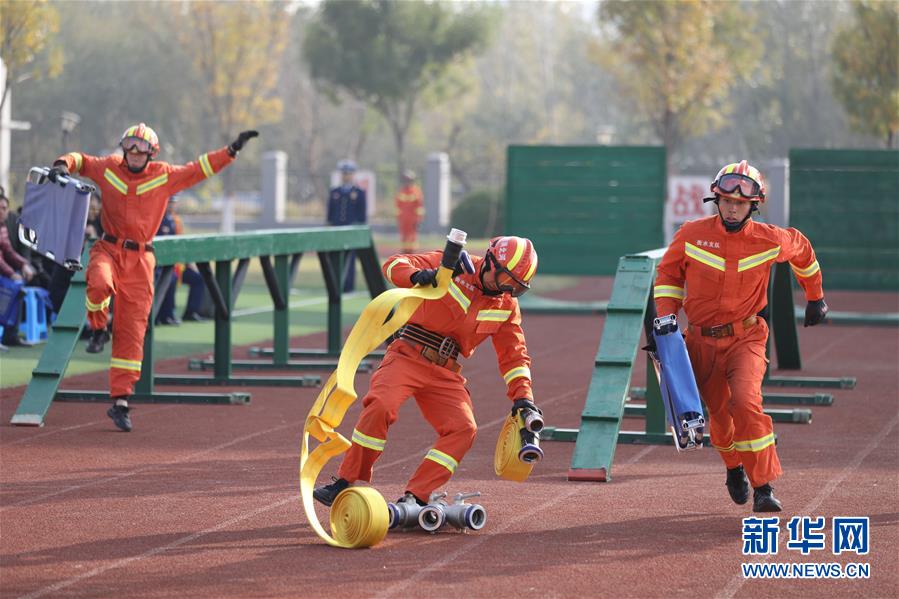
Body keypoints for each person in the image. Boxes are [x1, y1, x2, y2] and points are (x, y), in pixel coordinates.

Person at [47, 123, 258, 432]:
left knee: (132, 331)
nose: (134, 152)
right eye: (130, 145)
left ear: (151, 152)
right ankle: (97, 329)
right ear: (123, 147)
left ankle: (120, 401)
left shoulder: (164, 175)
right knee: (99, 283)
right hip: (107, 247)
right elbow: (81, 160)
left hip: (141, 260)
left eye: (141, 147)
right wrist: (61, 164)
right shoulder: (109, 168)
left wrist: (231, 151)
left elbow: (199, 169)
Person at [313, 236, 543, 510]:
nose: (507, 290)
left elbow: (514, 354)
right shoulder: (453, 264)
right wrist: (418, 276)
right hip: (407, 355)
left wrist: (523, 398)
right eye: (506, 280)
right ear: (490, 261)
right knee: (381, 406)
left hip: (446, 371)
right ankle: (345, 481)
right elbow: (393, 265)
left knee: (463, 429)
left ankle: (416, 496)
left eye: (516, 288)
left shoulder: (505, 306)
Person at [653, 160, 828, 513]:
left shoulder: (770, 239)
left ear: (754, 205)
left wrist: (815, 297)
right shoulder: (690, 234)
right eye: (727, 201)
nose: (733, 207)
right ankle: (734, 468)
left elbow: (803, 251)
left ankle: (763, 486)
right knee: (720, 417)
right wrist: (666, 322)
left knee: (747, 404)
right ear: (716, 200)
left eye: (741, 203)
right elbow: (669, 276)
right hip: (699, 342)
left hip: (746, 338)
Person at [0, 191, 36, 349]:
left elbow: (8, 251)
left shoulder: (3, 228)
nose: (2, 211)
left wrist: (24, 265)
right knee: (9, 287)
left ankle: (10, 335)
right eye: (0, 207)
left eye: (4, 208)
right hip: (3, 272)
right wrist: (12, 273)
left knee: (17, 289)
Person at [326, 159, 367, 292]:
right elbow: (330, 213)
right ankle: (335, 286)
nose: (346, 176)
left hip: (351, 231)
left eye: (349, 173)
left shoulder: (359, 192)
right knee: (334, 259)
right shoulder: (334, 192)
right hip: (336, 230)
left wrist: (358, 229)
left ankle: (348, 287)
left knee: (350, 260)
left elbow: (362, 215)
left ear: (353, 175)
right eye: (344, 173)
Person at [395, 170, 424, 254]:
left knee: (412, 238)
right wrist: (398, 219)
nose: (407, 182)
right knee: (404, 237)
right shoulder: (401, 192)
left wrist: (418, 220)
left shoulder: (416, 191)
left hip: (413, 220)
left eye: (408, 180)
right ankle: (404, 253)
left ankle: (412, 254)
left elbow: (419, 207)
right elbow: (397, 206)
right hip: (403, 220)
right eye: (405, 180)